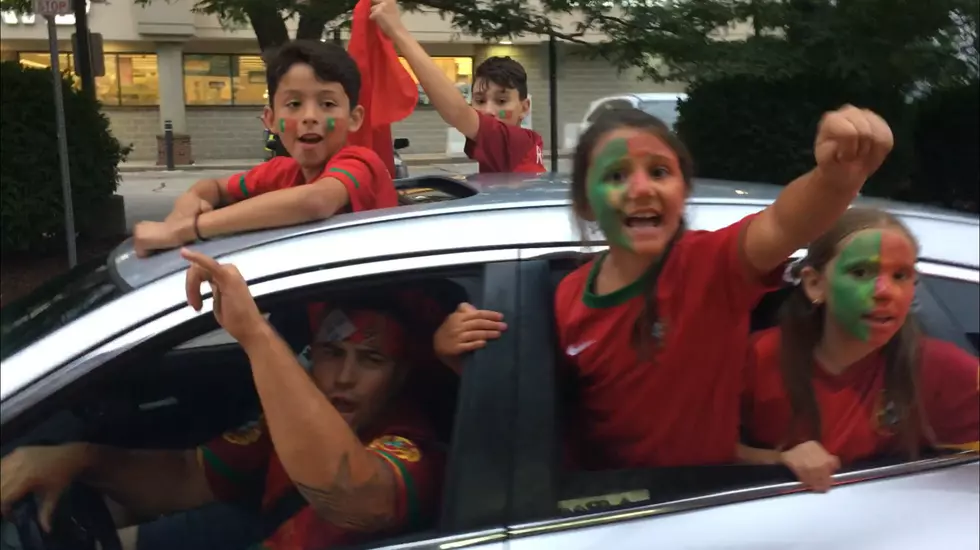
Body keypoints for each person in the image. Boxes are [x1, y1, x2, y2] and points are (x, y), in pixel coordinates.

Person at [438, 105, 895, 469]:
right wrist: (456, 354)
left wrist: (835, 181)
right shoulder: (565, 298)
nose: (641, 188)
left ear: (682, 192)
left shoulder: (713, 267)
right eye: (616, 176)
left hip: (690, 507)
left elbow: (783, 222)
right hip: (596, 509)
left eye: (659, 172)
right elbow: (541, 403)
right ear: (586, 203)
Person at [0, 249, 444, 550]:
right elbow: (190, 475)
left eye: (370, 359)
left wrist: (255, 335)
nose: (345, 377)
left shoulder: (413, 451)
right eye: (332, 352)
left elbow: (353, 497)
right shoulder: (293, 415)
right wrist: (78, 460)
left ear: (401, 373)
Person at [738, 207, 979, 492]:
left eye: (900, 275)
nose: (884, 291)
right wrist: (778, 459)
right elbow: (691, 448)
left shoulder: (941, 368)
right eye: (861, 272)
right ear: (815, 284)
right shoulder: (757, 358)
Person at [131, 40, 400, 258]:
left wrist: (187, 229)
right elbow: (212, 187)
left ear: (355, 118)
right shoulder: (282, 172)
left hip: (377, 318)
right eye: (294, 104)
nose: (309, 116)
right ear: (271, 120)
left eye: (327, 104)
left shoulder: (360, 162)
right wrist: (187, 204)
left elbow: (315, 201)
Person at [369, 0, 546, 174]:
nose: (489, 111)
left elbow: (458, 112)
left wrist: (397, 30)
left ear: (524, 108)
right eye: (480, 100)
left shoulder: (514, 142)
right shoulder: (524, 145)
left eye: (501, 101)